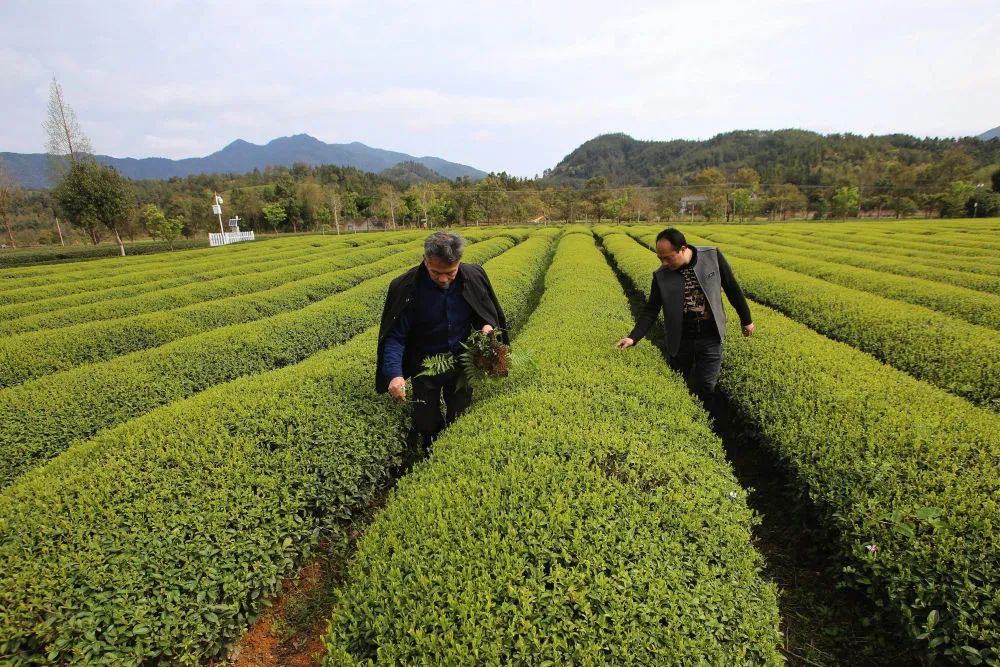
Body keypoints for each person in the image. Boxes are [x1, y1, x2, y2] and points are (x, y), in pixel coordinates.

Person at [376, 231, 508, 449]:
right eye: (436, 272)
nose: (444, 279)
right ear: (425, 260)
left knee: (460, 416)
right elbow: (395, 337)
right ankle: (430, 452)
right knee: (426, 422)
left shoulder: (473, 277)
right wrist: (394, 375)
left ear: (458, 263)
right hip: (424, 364)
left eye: (451, 272)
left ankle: (455, 453)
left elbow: (484, 314)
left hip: (462, 362)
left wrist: (487, 329)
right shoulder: (406, 287)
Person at [616, 227, 754, 409]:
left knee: (707, 386)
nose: (664, 263)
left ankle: (708, 422)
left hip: (710, 337)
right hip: (681, 340)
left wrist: (746, 319)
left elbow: (731, 287)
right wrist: (633, 337)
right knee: (678, 384)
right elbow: (651, 310)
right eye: (660, 258)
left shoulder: (712, 256)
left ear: (683, 248)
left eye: (668, 257)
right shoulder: (661, 276)